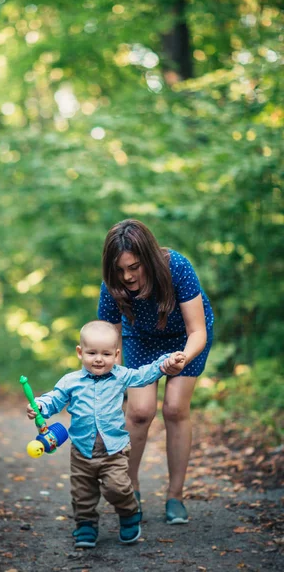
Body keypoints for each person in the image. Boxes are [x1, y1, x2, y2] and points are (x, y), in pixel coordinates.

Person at [26, 320, 185, 548]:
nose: (99, 359)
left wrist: (165, 363)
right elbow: (54, 399)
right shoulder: (71, 381)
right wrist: (40, 406)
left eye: (106, 353)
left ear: (116, 354)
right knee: (83, 495)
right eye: (92, 353)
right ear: (80, 353)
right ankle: (86, 525)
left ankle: (129, 513)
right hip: (82, 452)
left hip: (114, 451)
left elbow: (144, 375)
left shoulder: (121, 376)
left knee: (117, 487)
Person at [98, 219, 214, 525]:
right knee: (139, 411)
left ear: (148, 258)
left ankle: (175, 496)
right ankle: (130, 490)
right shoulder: (112, 283)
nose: (127, 276)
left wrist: (183, 357)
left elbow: (197, 331)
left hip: (184, 339)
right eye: (120, 270)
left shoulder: (177, 267)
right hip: (141, 338)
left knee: (175, 408)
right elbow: (109, 339)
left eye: (134, 267)